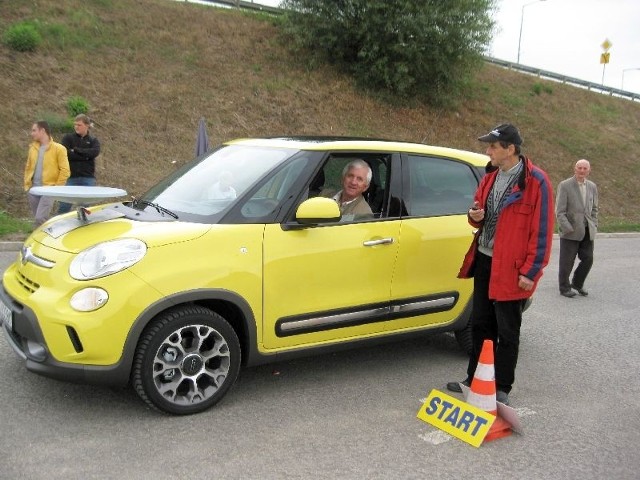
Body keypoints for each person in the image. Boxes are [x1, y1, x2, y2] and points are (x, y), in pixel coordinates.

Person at [446, 123, 554, 406]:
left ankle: (502, 386)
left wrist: (531, 272)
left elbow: (542, 231)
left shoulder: (537, 182)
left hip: (512, 268)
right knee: (480, 325)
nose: (488, 151)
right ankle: (474, 379)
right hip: (484, 259)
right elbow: (476, 215)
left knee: (508, 331)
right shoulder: (490, 176)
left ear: (510, 149)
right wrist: (475, 216)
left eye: (493, 146)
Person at [556, 159, 598, 297]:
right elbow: (560, 211)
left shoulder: (592, 186)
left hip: (587, 230)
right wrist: (567, 227)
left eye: (584, 168)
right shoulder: (565, 185)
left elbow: (594, 209)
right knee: (566, 262)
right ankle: (564, 288)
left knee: (588, 258)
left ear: (589, 170)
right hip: (570, 230)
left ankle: (577, 283)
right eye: (579, 168)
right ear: (575, 169)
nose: (582, 170)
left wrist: (594, 224)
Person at [23, 120, 70, 227]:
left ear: (42, 130)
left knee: (40, 218)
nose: (32, 133)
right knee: (38, 220)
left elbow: (65, 171)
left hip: (49, 189)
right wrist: (27, 185)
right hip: (33, 189)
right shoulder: (33, 148)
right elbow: (28, 167)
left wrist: (56, 188)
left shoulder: (59, 149)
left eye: (34, 130)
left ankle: (45, 239)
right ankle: (40, 240)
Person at [57, 114, 101, 214]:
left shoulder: (93, 140)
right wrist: (85, 156)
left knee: (85, 207)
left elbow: (94, 153)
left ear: (87, 125)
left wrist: (76, 150)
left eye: (79, 125)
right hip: (71, 177)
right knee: (64, 205)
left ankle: (83, 225)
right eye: (75, 124)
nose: (76, 127)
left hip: (88, 178)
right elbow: (65, 154)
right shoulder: (68, 138)